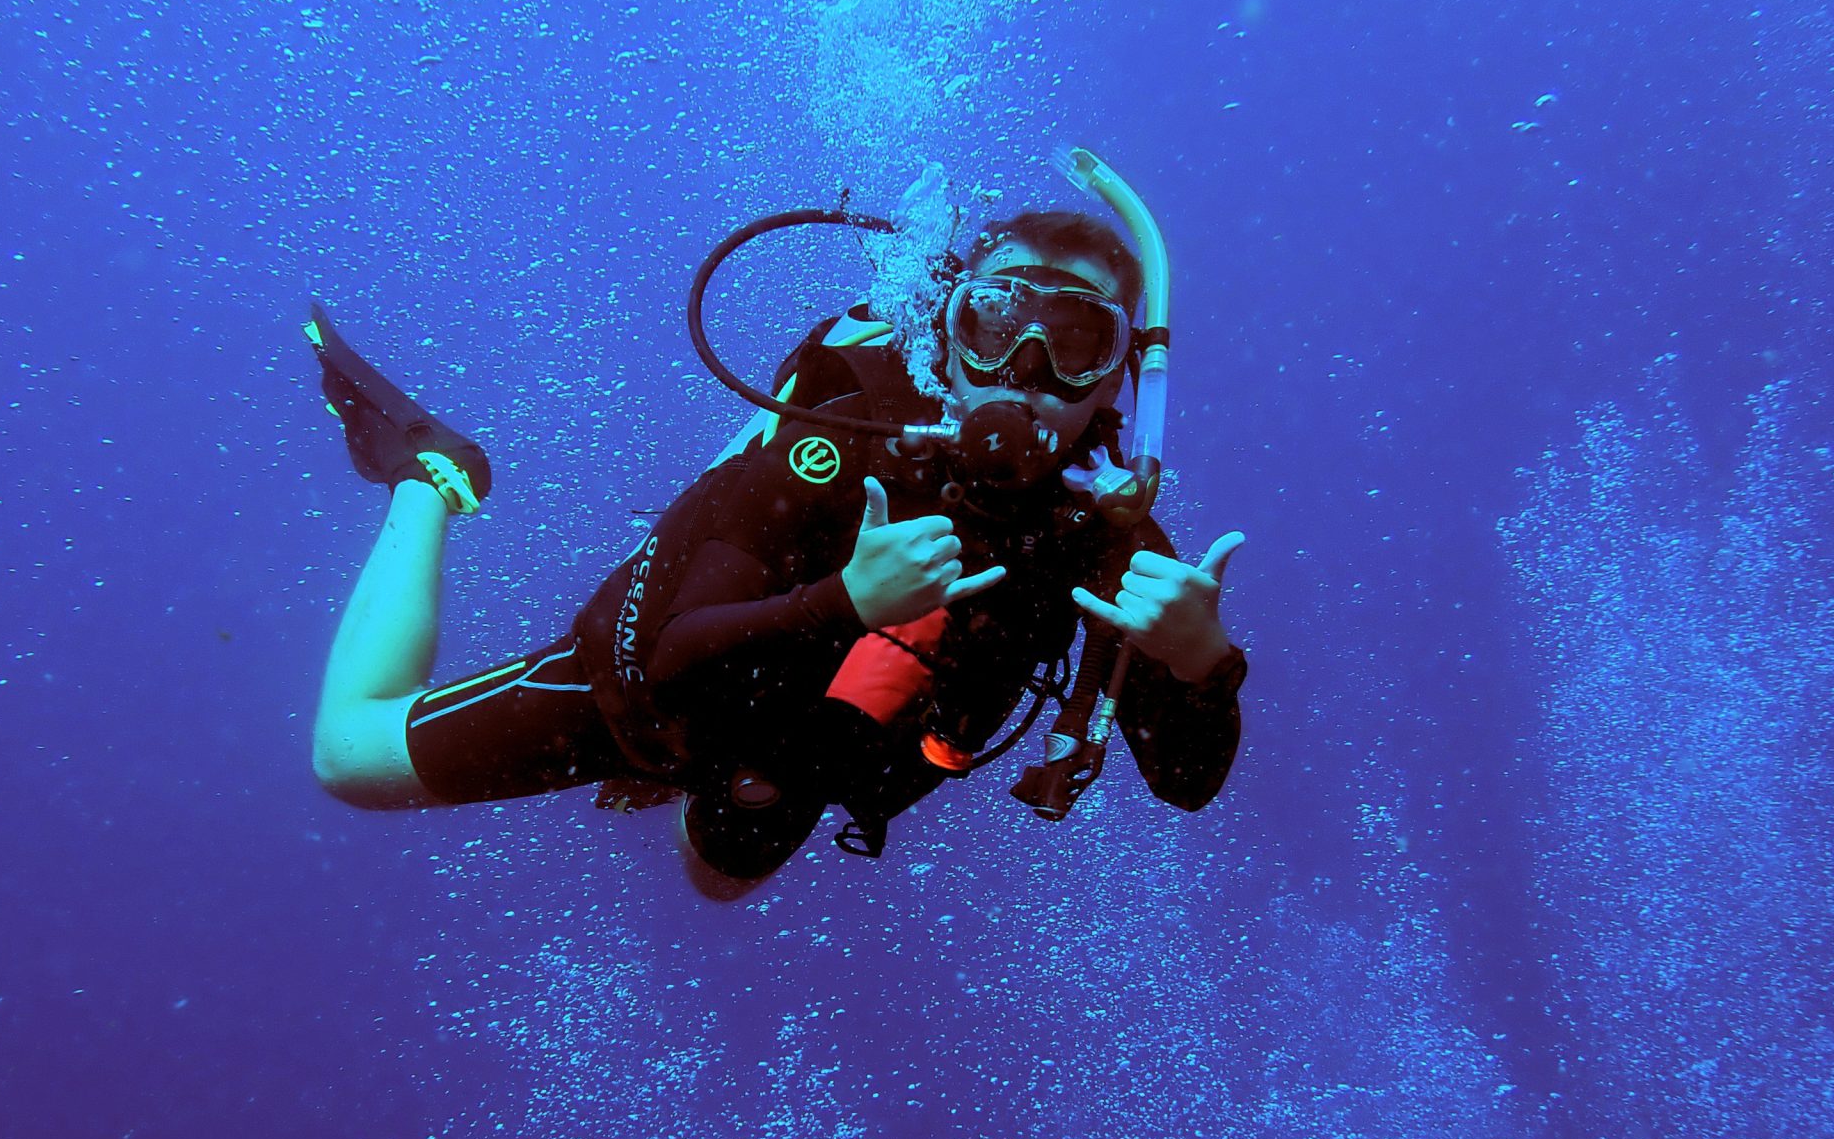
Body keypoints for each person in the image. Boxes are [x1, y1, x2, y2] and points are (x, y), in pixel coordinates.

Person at [304, 206, 1248, 895]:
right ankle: (429, 480)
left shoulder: (1113, 545)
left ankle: (698, 793)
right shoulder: (840, 440)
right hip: (645, 694)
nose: (1025, 373)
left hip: (806, 756)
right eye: (994, 325)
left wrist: (1200, 663)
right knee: (347, 758)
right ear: (947, 334)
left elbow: (1187, 785)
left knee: (717, 880)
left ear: (1119, 378)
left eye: (1075, 339)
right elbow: (672, 662)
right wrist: (844, 603)